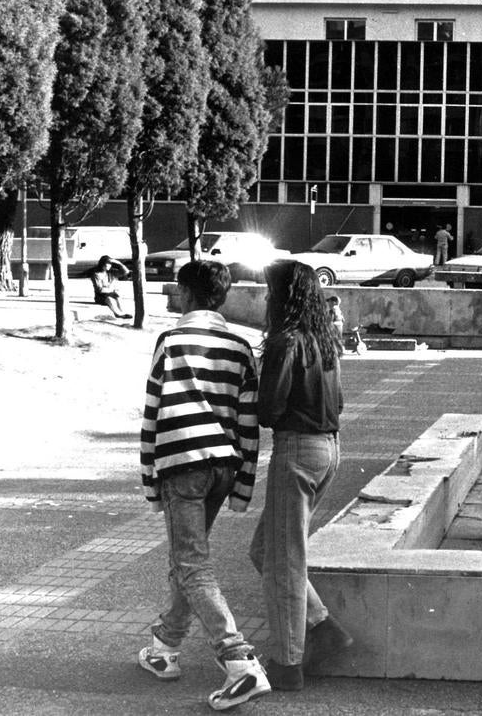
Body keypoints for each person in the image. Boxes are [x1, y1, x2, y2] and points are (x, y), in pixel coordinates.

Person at [138, 260, 270, 711]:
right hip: (224, 466)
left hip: (182, 464)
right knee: (189, 559)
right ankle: (164, 647)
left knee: (191, 563)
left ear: (187, 295)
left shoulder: (171, 341)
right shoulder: (241, 345)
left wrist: (149, 481)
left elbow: (153, 412)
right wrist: (245, 484)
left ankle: (239, 662)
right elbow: (248, 420)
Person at [250, 260, 353, 694]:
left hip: (296, 450)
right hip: (329, 449)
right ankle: (322, 626)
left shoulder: (285, 341)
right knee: (264, 550)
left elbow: (268, 410)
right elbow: (341, 402)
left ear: (283, 295)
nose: (264, 298)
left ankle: (288, 664)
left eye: (269, 290)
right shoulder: (324, 339)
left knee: (285, 558)